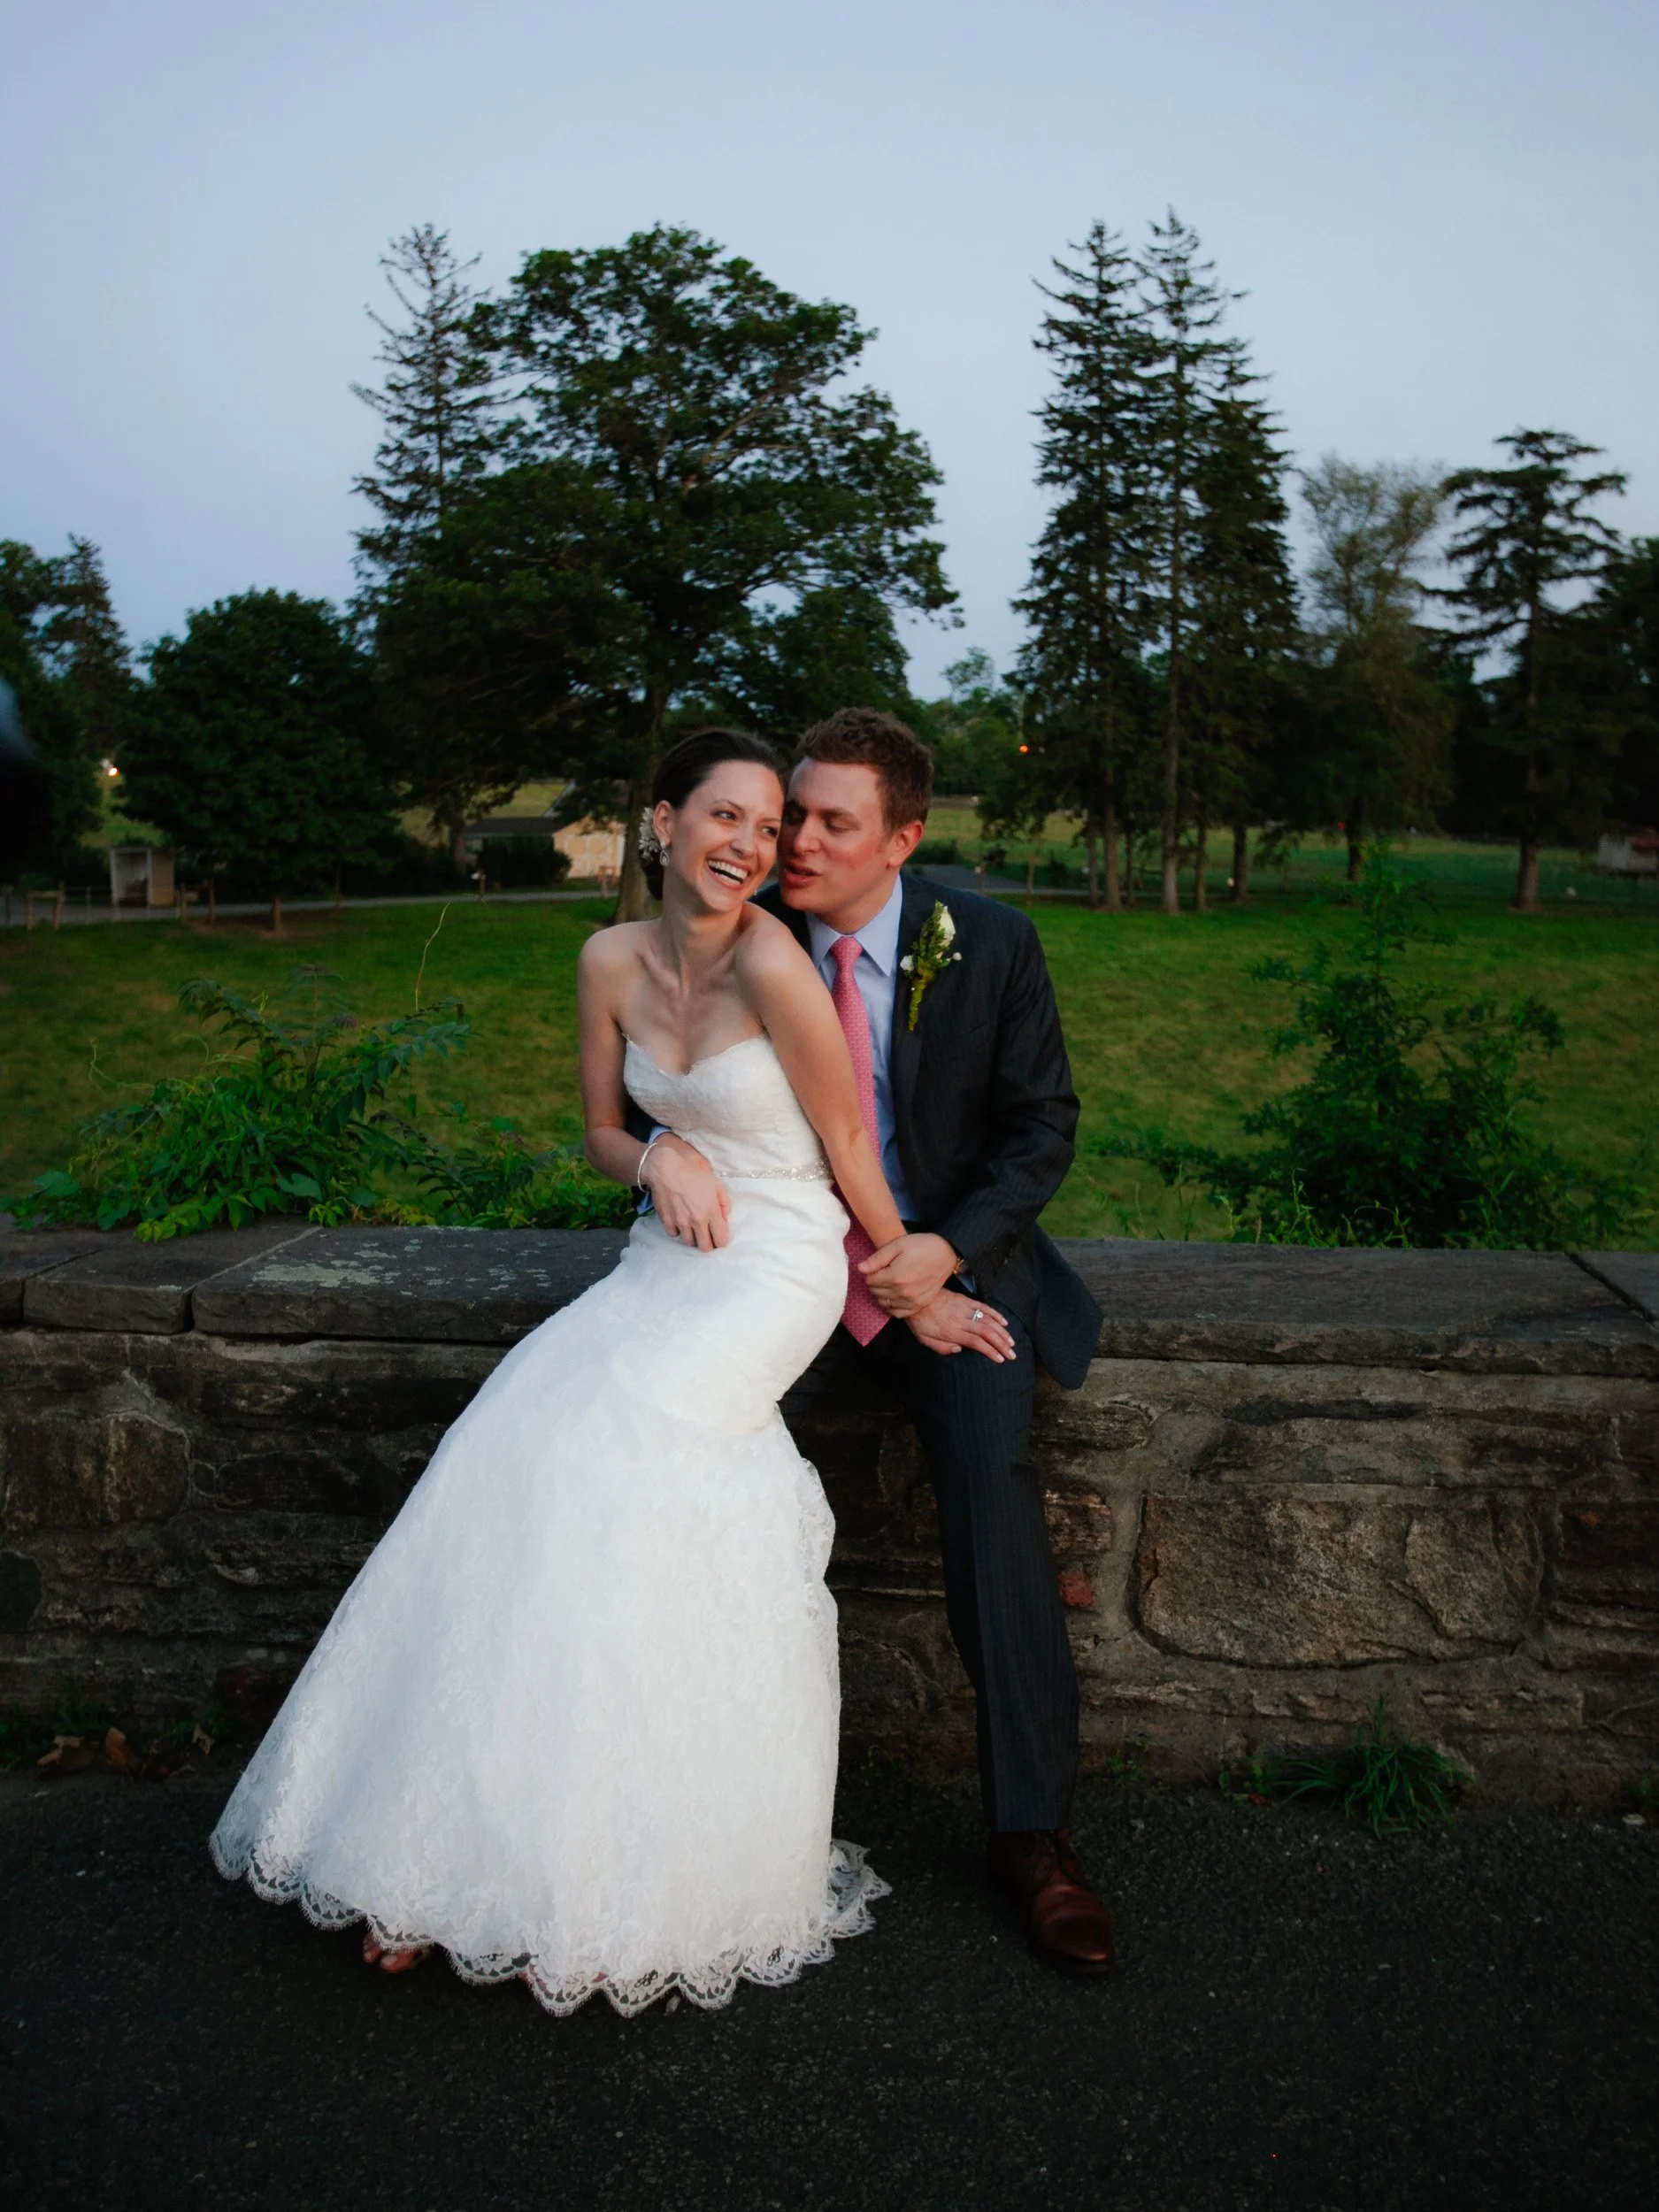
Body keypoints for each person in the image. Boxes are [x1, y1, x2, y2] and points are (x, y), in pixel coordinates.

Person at [212, 728, 950, 2015]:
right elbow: (606, 1130)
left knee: (623, 1447)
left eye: (770, 829)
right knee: (521, 1435)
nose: (751, 847)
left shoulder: (775, 960)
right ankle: (436, 1863)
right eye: (726, 817)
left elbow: (844, 1141)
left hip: (774, 1262)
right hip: (665, 1251)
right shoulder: (605, 956)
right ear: (660, 822)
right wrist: (656, 1157)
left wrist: (910, 1280)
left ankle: (604, 1873)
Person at [660, 707, 1113, 1973]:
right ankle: (647, 1807)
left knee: (984, 1473)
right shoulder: (737, 940)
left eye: (827, 821)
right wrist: (666, 1150)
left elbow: (1041, 1130)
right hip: (780, 1282)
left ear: (901, 840)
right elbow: (664, 1086)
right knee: (674, 1464)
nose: (792, 840)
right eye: (788, 811)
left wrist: (945, 1251)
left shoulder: (994, 946)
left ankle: (1032, 1834)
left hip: (941, 1278)